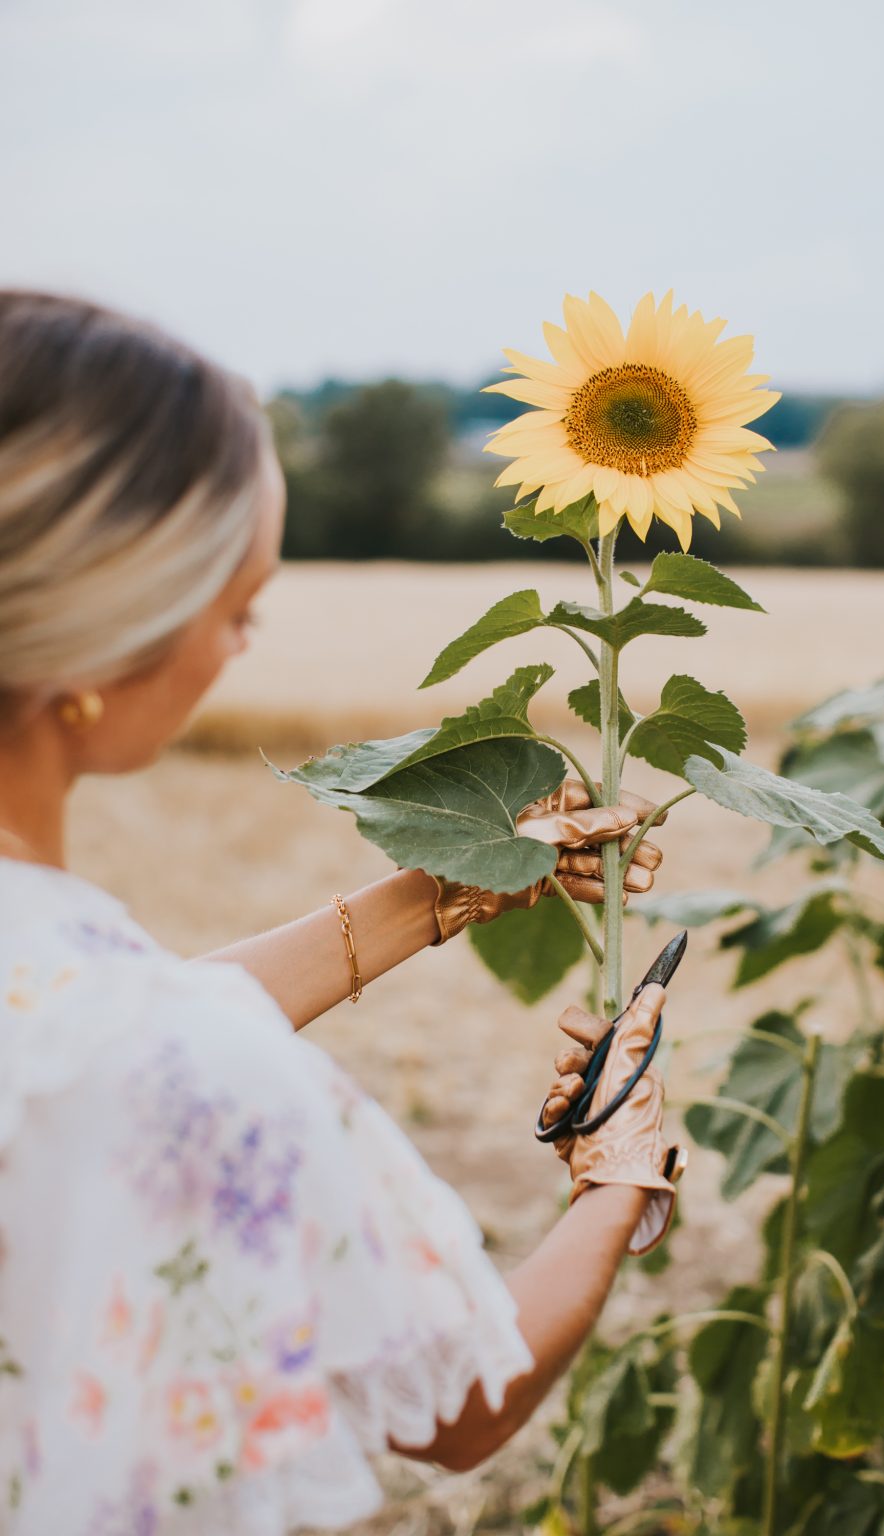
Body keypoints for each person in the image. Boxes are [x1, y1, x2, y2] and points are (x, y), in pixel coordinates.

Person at [0, 291, 682, 1535]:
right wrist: (618, 1174)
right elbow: (461, 1401)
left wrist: (443, 888)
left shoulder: (102, 1018)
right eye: (236, 605)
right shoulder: (186, 1072)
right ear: (104, 635)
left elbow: (78, 1035)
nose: (243, 648)